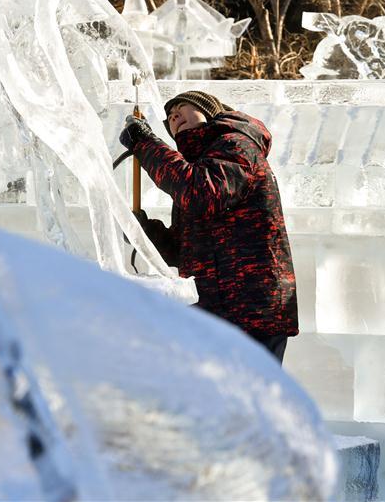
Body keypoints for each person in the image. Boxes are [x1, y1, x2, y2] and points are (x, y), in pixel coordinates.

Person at [119, 90, 298, 363]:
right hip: (216, 310)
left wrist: (145, 144)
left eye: (182, 107)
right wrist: (144, 232)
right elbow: (182, 251)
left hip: (251, 312)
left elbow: (203, 193)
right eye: (169, 116)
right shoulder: (200, 167)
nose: (174, 115)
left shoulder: (237, 145)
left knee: (247, 402)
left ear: (209, 110)